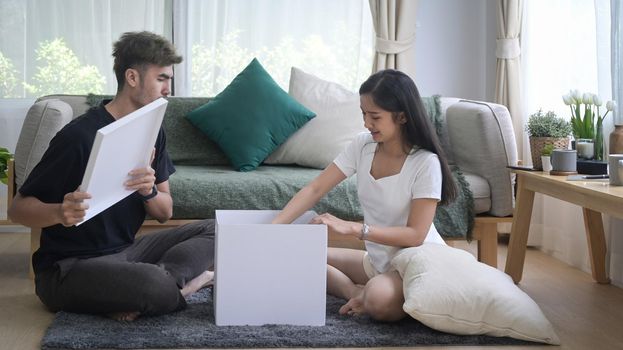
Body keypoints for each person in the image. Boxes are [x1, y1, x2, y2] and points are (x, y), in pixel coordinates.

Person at [8, 31, 214, 322]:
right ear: (132, 77)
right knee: (152, 284)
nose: (169, 88)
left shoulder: (154, 130)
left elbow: (165, 212)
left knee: (216, 228)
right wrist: (60, 212)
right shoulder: (78, 136)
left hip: (128, 253)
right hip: (69, 268)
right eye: (161, 78)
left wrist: (149, 191)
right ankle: (167, 286)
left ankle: (151, 286)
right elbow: (18, 209)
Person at [272, 69, 457, 321]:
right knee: (293, 253)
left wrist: (352, 228)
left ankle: (371, 293)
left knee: (379, 300)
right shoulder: (362, 145)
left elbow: (415, 235)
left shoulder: (426, 163)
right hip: (378, 262)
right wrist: (271, 231)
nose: (366, 123)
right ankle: (354, 291)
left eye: (375, 116)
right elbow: (315, 188)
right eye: (363, 114)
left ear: (401, 116)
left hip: (416, 261)